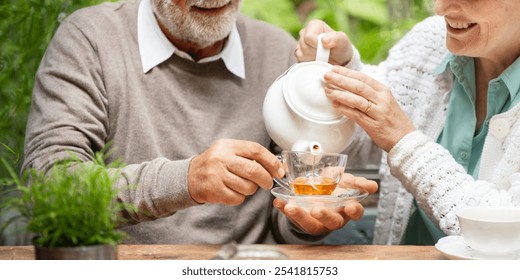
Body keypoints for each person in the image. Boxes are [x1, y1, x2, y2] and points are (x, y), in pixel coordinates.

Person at [21, 0, 377, 245]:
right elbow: (47, 189)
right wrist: (187, 180)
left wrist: (304, 220)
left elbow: (281, 219)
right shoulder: (91, 40)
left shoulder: (274, 50)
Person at [295, 0, 520, 245]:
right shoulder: (430, 40)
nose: (441, 8)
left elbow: (507, 238)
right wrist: (343, 70)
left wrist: (405, 143)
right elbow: (366, 144)